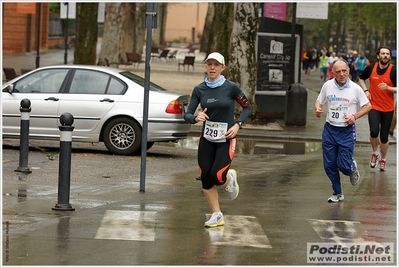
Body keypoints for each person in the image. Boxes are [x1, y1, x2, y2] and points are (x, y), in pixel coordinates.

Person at [184, 52, 252, 227]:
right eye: (209, 64)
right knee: (206, 178)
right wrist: (195, 117)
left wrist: (238, 125)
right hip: (206, 139)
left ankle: (229, 178)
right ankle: (217, 214)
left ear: (223, 67)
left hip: (226, 139)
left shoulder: (231, 88)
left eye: (216, 64)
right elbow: (188, 114)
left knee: (217, 176)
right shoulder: (199, 89)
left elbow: (247, 106)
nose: (212, 67)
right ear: (206, 66)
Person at [315, 59, 372, 203]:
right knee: (329, 165)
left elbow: (368, 106)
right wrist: (318, 108)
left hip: (346, 131)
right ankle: (337, 193)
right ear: (333, 73)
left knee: (344, 166)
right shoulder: (327, 85)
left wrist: (355, 116)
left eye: (344, 71)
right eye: (338, 71)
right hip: (329, 129)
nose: (341, 74)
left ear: (348, 70)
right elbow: (319, 100)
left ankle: (352, 166)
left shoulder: (355, 88)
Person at [358, 46, 397, 171]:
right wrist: (365, 90)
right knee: (374, 131)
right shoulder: (371, 68)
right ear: (378, 56)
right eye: (383, 53)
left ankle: (383, 159)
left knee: (384, 136)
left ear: (390, 57)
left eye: (387, 54)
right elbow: (361, 78)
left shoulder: (393, 71)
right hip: (373, 106)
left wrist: (389, 88)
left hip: (388, 108)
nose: (385, 56)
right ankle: (375, 153)